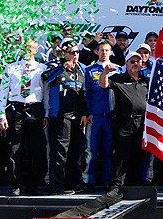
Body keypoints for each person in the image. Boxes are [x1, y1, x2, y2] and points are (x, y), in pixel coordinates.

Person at [0, 39, 47, 196]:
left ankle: (33, 185)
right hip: (16, 108)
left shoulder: (42, 68)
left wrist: (46, 113)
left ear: (36, 49)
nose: (28, 50)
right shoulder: (11, 68)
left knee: (34, 149)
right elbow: (3, 93)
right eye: (25, 47)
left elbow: (45, 93)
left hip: (35, 109)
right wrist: (1, 115)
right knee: (15, 149)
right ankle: (16, 184)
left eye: (31, 48)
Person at [42, 40, 88, 194]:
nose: (74, 55)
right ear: (63, 53)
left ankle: (71, 183)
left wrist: (84, 113)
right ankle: (56, 186)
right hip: (60, 116)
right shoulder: (55, 65)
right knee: (59, 152)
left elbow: (84, 93)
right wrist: (63, 66)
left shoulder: (81, 68)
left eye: (76, 52)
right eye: (71, 52)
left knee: (75, 151)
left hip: (77, 116)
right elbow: (46, 78)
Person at [100, 51, 150, 189]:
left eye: (138, 62)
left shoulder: (146, 81)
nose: (135, 64)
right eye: (132, 61)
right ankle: (117, 183)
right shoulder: (118, 78)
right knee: (121, 153)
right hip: (124, 121)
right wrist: (105, 73)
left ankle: (134, 183)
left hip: (141, 123)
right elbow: (104, 85)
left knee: (139, 154)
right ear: (126, 63)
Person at [84, 40, 120, 191]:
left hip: (112, 116)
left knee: (109, 150)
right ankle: (88, 181)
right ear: (97, 52)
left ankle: (107, 180)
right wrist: (88, 113)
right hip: (96, 116)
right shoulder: (90, 70)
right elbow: (86, 93)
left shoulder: (118, 69)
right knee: (91, 150)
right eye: (101, 50)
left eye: (107, 50)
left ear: (111, 52)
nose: (104, 53)